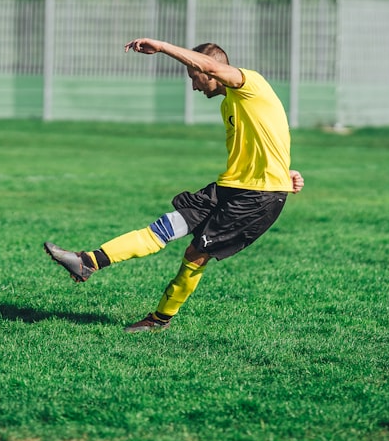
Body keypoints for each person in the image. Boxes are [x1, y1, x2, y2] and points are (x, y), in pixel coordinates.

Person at [44, 38, 304, 333]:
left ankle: (159, 320)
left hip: (258, 197)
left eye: (195, 77)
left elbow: (207, 64)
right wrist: (285, 170)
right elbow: (269, 135)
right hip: (231, 186)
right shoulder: (231, 104)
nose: (194, 86)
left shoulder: (250, 83)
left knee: (195, 254)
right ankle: (87, 262)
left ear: (212, 71)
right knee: (166, 226)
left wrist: (163, 47)